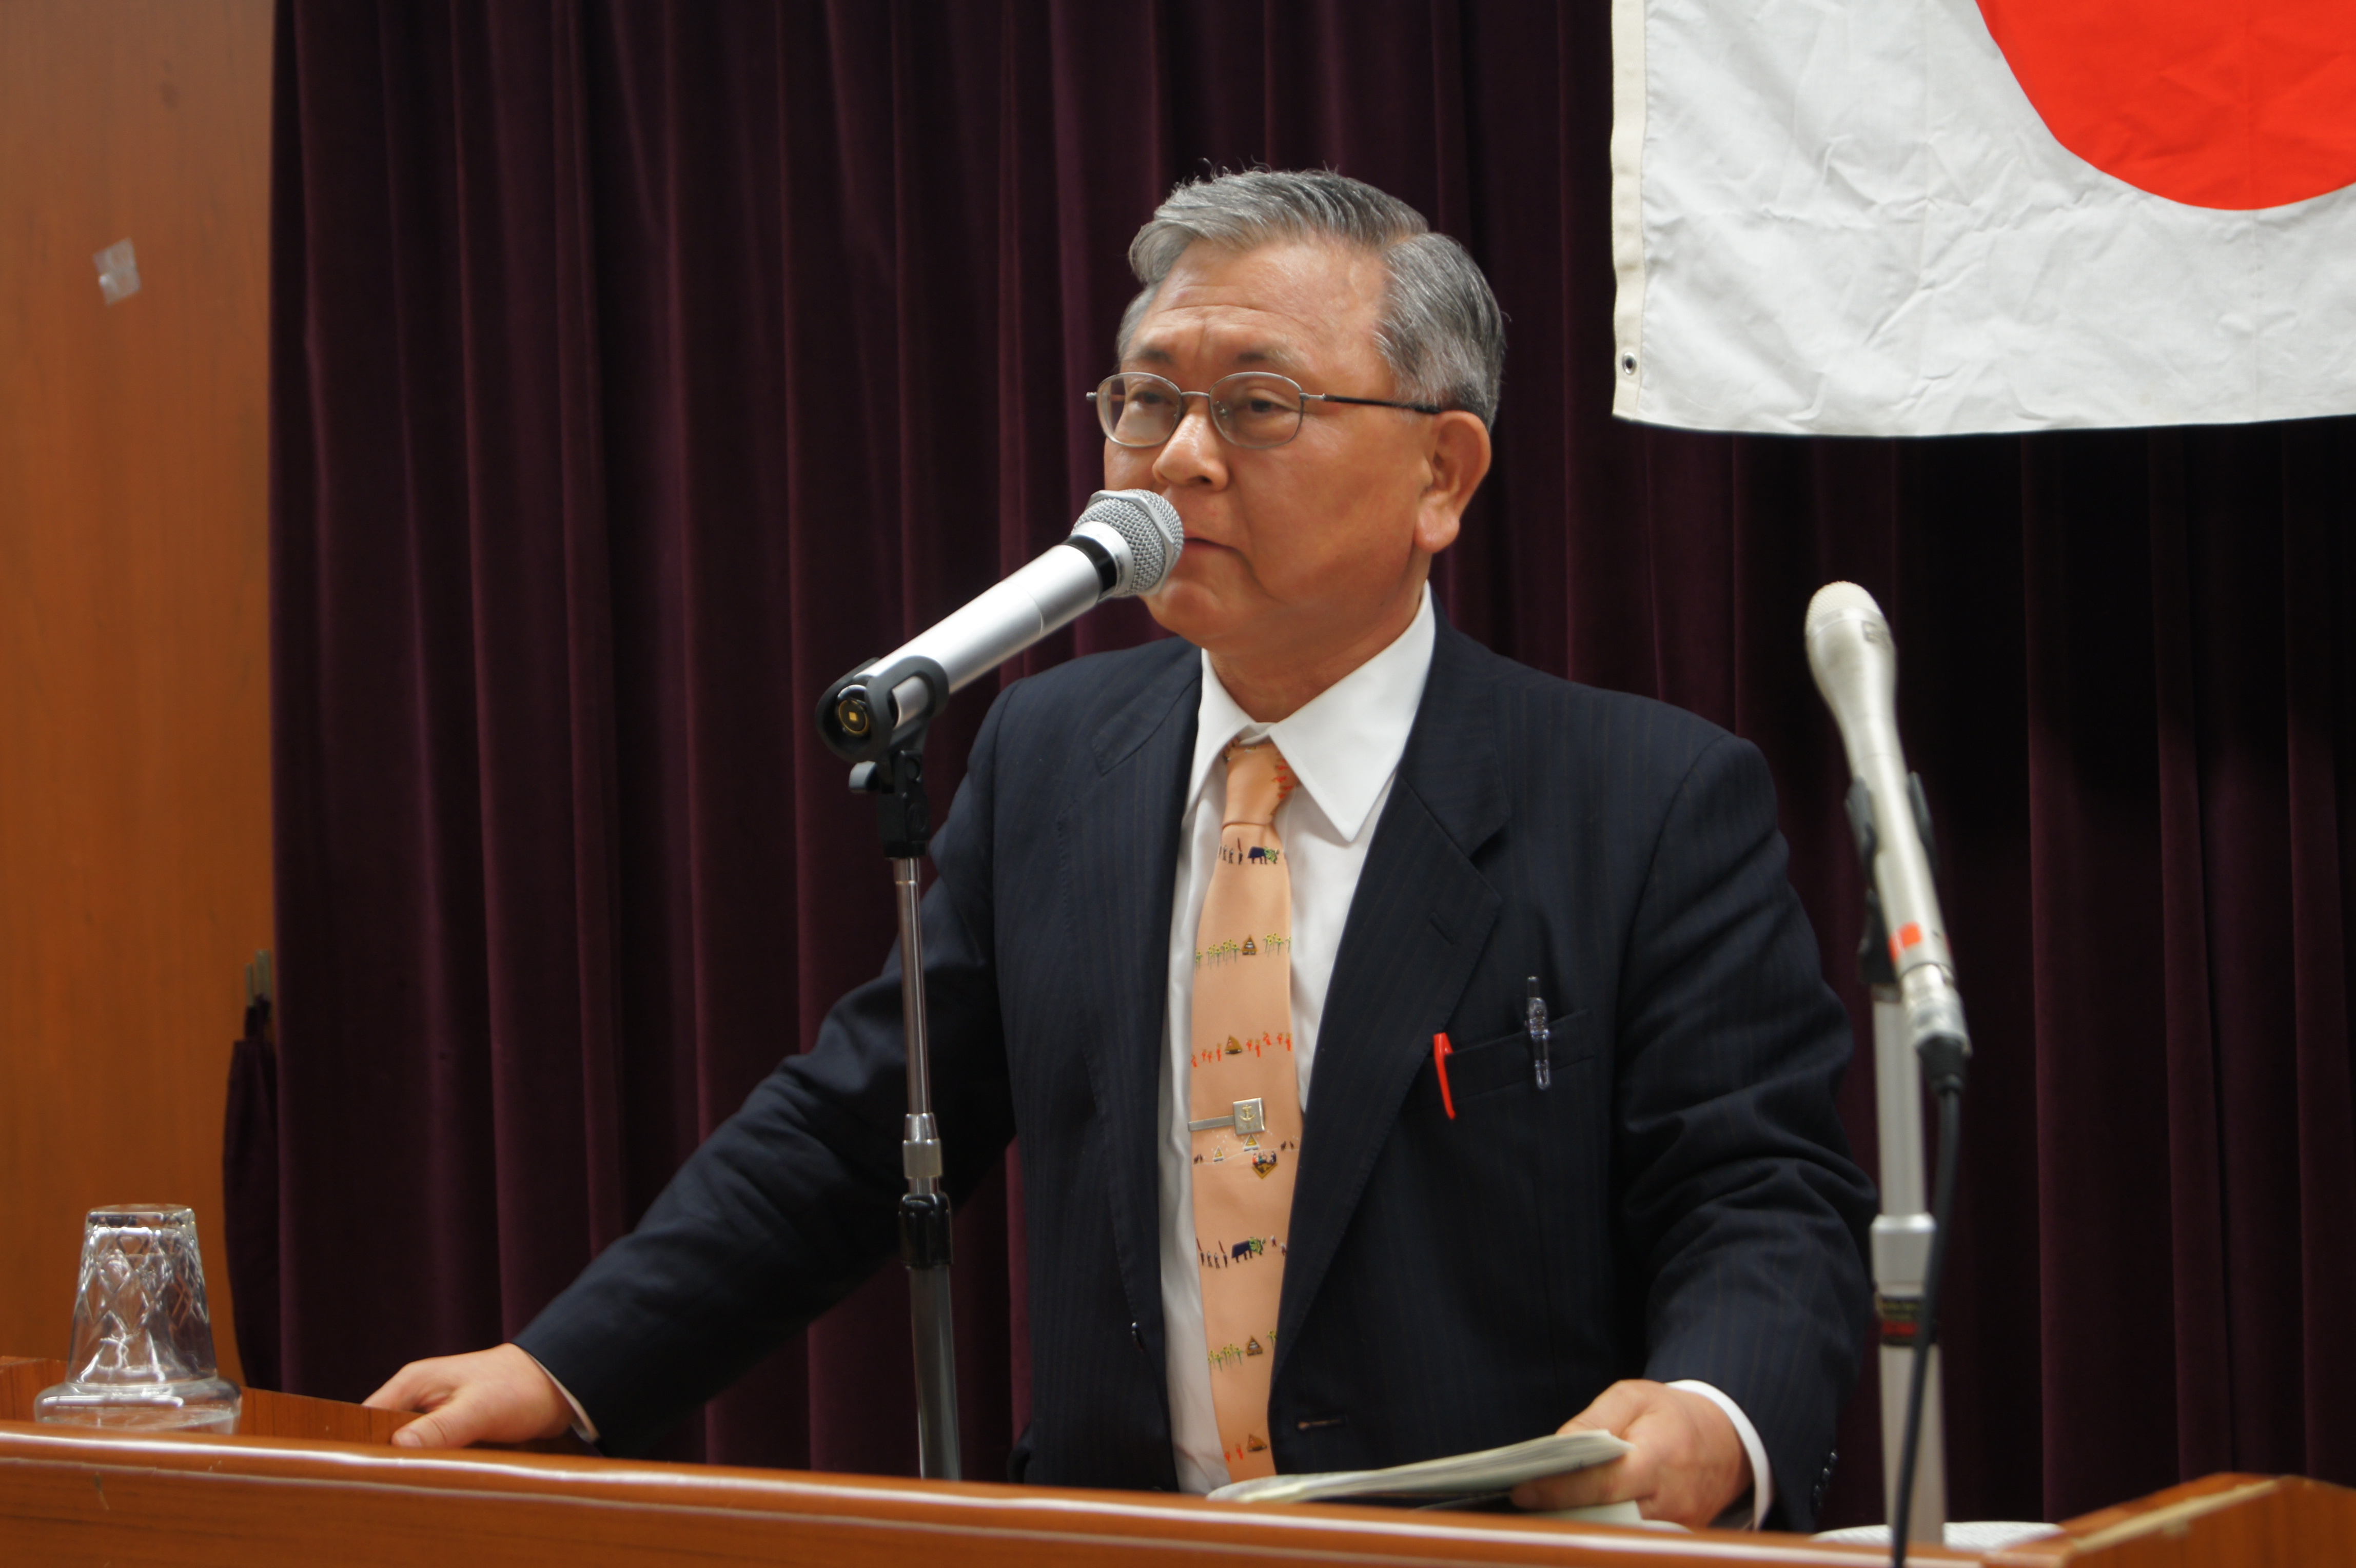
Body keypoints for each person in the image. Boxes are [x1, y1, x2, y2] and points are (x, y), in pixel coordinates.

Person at [367, 170, 1873, 1532]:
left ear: (1443, 476)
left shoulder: (1645, 800)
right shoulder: (1051, 757)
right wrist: (565, 1369)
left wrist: (1715, 1416)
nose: (1181, 458)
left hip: (1491, 1545)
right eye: (1147, 402)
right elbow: (862, 1130)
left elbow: (1758, 1193)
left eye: (1259, 405)